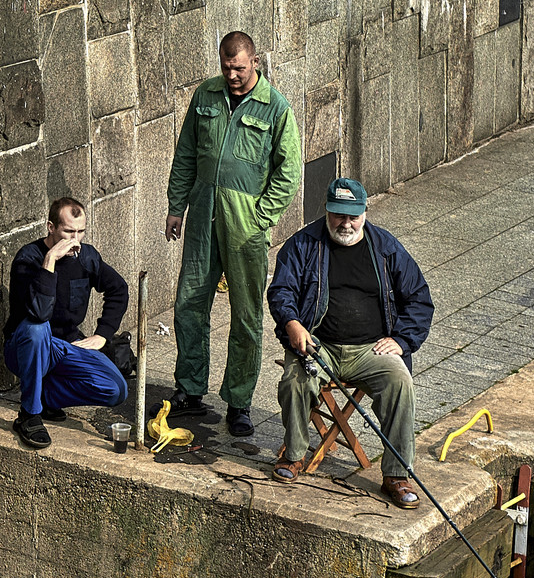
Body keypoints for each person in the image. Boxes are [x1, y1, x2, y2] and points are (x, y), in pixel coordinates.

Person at [165, 31, 302, 438]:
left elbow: (289, 170)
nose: (233, 76)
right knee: (188, 303)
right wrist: (177, 206)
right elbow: (186, 151)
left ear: (255, 61)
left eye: (239, 68)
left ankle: (239, 402)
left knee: (245, 314)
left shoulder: (276, 108)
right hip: (203, 215)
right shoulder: (206, 96)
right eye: (226, 68)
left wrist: (261, 217)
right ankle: (190, 390)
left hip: (245, 226)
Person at [267, 178, 434, 510]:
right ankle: (295, 454)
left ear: (365, 212)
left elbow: (419, 300)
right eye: (338, 215)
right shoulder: (301, 245)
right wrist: (292, 323)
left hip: (370, 349)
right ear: (327, 211)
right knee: (296, 380)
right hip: (319, 343)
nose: (345, 223)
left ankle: (396, 474)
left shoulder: (386, 247)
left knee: (399, 382)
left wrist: (401, 341)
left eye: (353, 216)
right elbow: (281, 292)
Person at [5, 197, 129, 449]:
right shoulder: (28, 259)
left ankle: (45, 396)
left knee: (116, 389)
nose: (75, 239)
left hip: (67, 345)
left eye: (81, 231)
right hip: (26, 346)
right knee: (37, 329)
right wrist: (50, 261)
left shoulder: (87, 257)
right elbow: (39, 313)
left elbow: (119, 289)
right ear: (51, 227)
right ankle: (29, 415)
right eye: (68, 231)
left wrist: (103, 334)